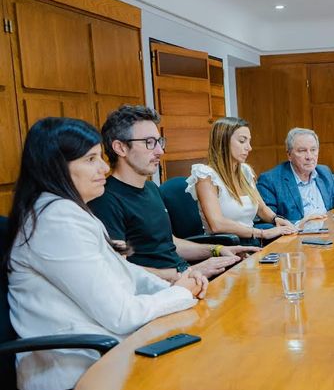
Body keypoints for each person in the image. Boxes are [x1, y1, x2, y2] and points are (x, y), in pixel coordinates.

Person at [4, 117, 205, 390]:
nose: (103, 167)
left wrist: (175, 285)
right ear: (56, 168)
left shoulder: (69, 210)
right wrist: (180, 294)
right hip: (74, 372)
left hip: (103, 352)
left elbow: (123, 270)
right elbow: (121, 316)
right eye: (90, 159)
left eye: (100, 156)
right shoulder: (56, 220)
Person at [90, 106, 258, 282]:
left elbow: (170, 243)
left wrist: (216, 250)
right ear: (120, 148)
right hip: (161, 293)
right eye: (149, 142)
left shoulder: (151, 189)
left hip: (185, 278)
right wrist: (182, 275)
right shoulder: (106, 200)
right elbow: (118, 271)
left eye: (159, 142)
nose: (160, 152)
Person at [186, 117, 297, 244]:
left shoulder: (244, 171)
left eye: (249, 141)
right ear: (223, 141)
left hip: (251, 240)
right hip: (226, 246)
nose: (249, 148)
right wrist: (262, 233)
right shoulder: (205, 175)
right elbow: (217, 224)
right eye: (242, 141)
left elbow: (261, 208)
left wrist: (275, 219)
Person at [257, 127, 334, 223]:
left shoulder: (323, 172)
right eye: (302, 151)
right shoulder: (271, 180)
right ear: (289, 155)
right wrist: (298, 224)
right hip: (296, 241)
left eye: (313, 150)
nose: (309, 156)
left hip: (329, 235)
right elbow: (266, 222)